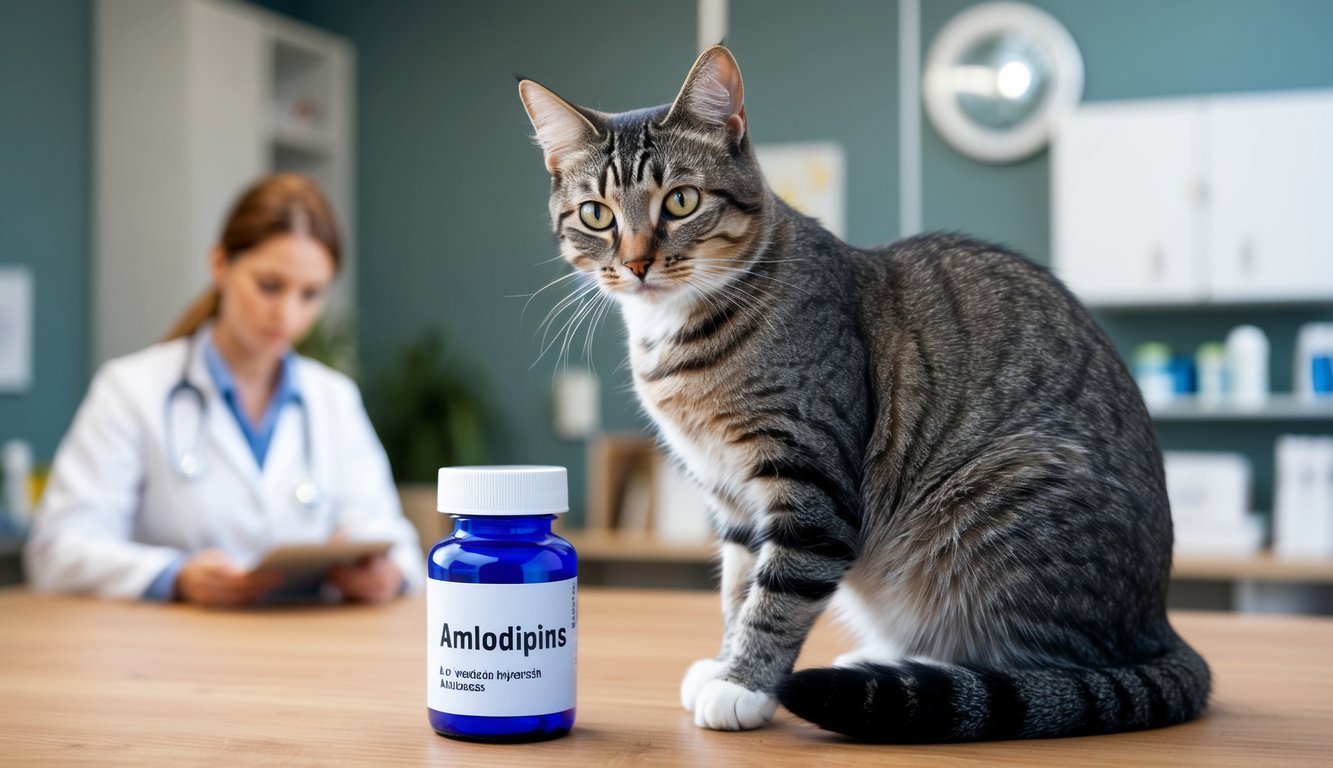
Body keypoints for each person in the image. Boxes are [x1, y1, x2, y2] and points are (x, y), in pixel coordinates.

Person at [25, 173, 423, 606]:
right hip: (173, 657)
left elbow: (393, 541)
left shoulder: (333, 399)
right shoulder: (130, 391)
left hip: (309, 652)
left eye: (310, 294)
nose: (287, 314)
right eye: (270, 286)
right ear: (220, 265)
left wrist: (387, 575)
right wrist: (173, 575)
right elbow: (58, 549)